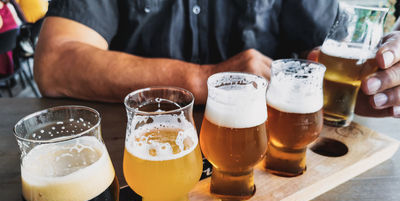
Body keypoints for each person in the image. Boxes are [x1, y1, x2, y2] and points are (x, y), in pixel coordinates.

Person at [33, 0, 399, 119]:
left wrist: (378, 76)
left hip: (274, 172)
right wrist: (207, 79)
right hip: (136, 155)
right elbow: (55, 62)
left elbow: (328, 52)